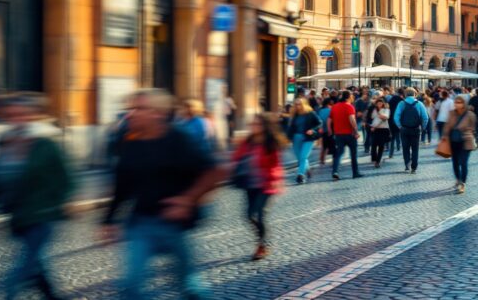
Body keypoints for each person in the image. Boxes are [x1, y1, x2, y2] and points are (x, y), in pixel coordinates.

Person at [101, 89, 221, 299]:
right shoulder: (131, 142)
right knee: (131, 286)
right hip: (141, 222)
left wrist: (187, 200)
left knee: (190, 287)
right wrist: (108, 220)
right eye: (131, 108)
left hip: (173, 225)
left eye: (139, 109)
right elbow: (122, 185)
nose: (132, 114)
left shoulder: (178, 138)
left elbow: (214, 170)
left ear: (157, 113)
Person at [0, 93, 73, 300]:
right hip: (17, 216)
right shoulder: (3, 141)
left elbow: (65, 177)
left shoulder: (45, 144)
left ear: (32, 116)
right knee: (36, 264)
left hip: (42, 216)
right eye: (10, 115)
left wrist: (62, 201)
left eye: (20, 115)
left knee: (19, 271)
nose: (15, 119)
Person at [232, 113, 288, 260]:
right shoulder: (248, 141)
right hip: (250, 184)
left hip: (267, 184)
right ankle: (263, 241)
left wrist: (274, 179)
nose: (253, 126)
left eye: (257, 124)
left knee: (260, 215)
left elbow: (276, 165)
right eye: (252, 124)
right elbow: (236, 157)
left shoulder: (271, 143)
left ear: (264, 126)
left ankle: (262, 245)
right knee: (250, 216)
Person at [442, 96, 477, 194]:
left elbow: (473, 128)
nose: (457, 104)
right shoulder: (451, 113)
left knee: (463, 162)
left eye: (460, 102)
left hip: (466, 141)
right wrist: (444, 136)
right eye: (456, 102)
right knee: (455, 162)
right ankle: (458, 179)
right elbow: (447, 126)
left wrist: (466, 132)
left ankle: (463, 183)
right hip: (453, 141)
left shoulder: (470, 115)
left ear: (464, 103)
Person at [329, 91, 364, 180]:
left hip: (338, 134)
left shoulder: (335, 107)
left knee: (339, 154)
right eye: (352, 96)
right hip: (349, 134)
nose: (353, 97)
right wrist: (356, 131)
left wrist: (330, 130)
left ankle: (335, 171)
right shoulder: (349, 106)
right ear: (348, 97)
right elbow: (352, 119)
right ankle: (355, 173)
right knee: (353, 154)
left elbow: (329, 120)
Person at [394, 88, 430, 174]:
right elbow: (425, 118)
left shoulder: (401, 103)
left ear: (405, 94)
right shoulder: (419, 104)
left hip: (404, 129)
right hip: (416, 129)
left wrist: (400, 126)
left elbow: (396, 117)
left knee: (405, 148)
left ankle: (407, 164)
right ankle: (414, 167)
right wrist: (423, 127)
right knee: (415, 149)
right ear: (415, 94)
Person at [288, 97, 322, 184]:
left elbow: (319, 123)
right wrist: (289, 137)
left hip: (308, 138)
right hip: (296, 138)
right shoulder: (294, 115)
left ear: (303, 104)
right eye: (296, 104)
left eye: (299, 104)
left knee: (303, 156)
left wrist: (313, 130)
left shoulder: (310, 113)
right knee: (300, 158)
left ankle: (300, 175)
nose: (297, 106)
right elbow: (291, 127)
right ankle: (307, 169)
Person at [369, 98, 391, 168]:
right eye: (378, 103)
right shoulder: (374, 110)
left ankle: (377, 161)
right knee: (373, 145)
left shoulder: (386, 110)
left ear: (383, 104)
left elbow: (385, 118)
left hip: (383, 129)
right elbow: (372, 117)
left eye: (380, 103)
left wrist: (379, 113)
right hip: (375, 129)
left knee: (381, 146)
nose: (379, 105)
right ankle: (375, 159)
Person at [317, 97, 335, 165]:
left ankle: (322, 160)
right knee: (332, 145)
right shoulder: (331, 110)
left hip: (323, 130)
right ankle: (334, 160)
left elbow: (318, 120)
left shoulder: (320, 111)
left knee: (324, 146)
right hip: (330, 130)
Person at [387, 89, 403, 158]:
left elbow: (388, 109)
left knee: (392, 138)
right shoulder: (401, 101)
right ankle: (399, 148)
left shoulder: (391, 100)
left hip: (391, 120)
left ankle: (391, 153)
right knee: (400, 136)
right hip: (399, 120)